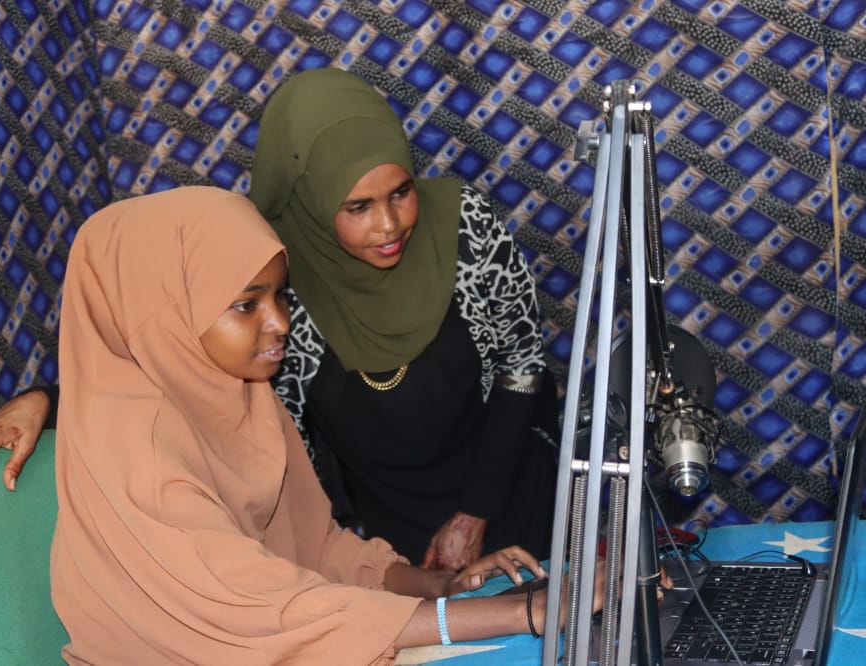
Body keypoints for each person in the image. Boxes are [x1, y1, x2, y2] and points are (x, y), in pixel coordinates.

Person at [0, 68, 559, 571]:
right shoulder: (273, 275)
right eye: (357, 206)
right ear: (307, 200)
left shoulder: (464, 228)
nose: (389, 225)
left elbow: (524, 366)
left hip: (511, 492)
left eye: (400, 192)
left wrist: (478, 511)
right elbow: (175, 369)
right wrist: (45, 401)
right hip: (384, 539)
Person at [44, 185, 593, 663]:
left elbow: (321, 550)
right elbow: (269, 612)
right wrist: (520, 612)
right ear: (165, 311)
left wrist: (442, 587)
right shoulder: (136, 450)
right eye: (245, 305)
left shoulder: (240, 396)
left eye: (279, 295)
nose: (280, 322)